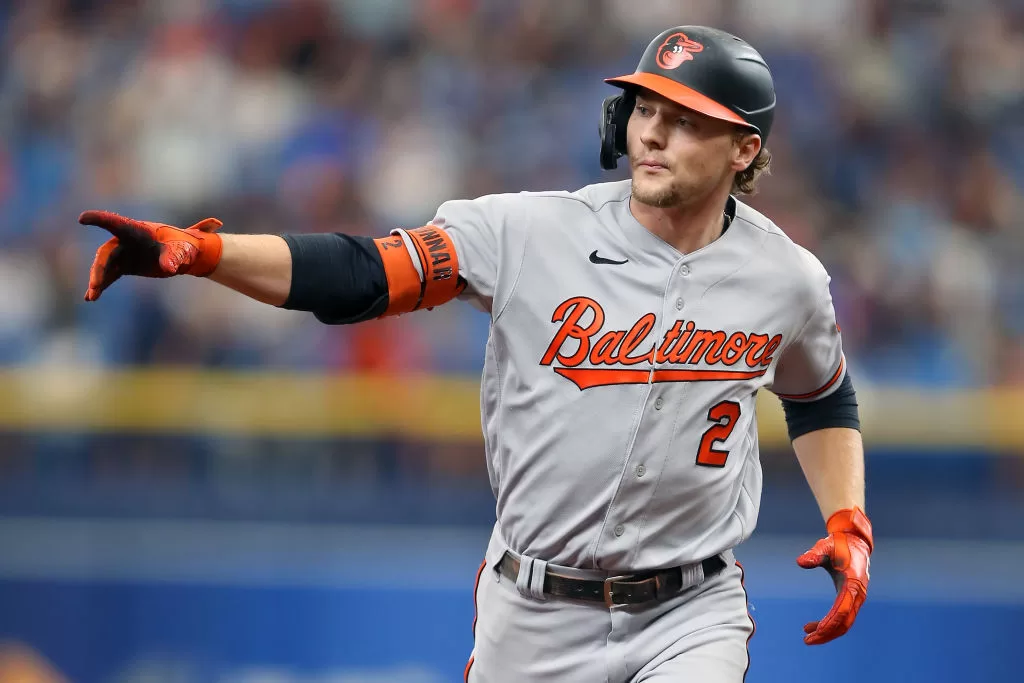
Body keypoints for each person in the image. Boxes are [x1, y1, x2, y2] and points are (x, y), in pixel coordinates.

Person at [79, 25, 872, 683]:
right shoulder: (528, 232)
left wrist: (847, 520)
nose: (655, 132)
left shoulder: (785, 279)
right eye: (645, 108)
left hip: (688, 610)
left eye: (689, 119)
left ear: (744, 149)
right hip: (531, 611)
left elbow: (820, 395)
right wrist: (204, 251)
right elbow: (362, 274)